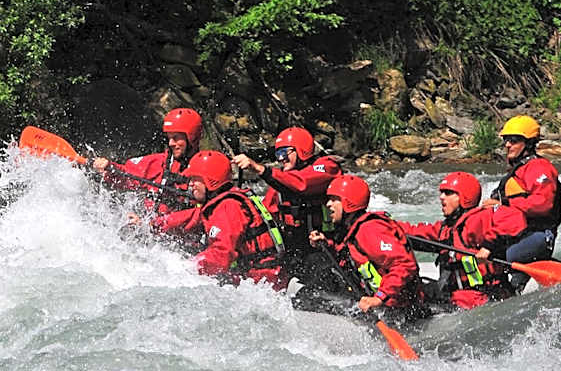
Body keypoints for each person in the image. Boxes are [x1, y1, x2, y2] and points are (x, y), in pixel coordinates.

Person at [143, 150, 286, 289]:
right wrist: (152, 225)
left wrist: (187, 267)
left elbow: (222, 254)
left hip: (262, 284)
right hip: (256, 280)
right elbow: (190, 217)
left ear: (210, 181)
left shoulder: (228, 207)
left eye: (195, 179)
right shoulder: (222, 202)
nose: (190, 184)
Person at [398, 172, 528, 309]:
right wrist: (383, 225)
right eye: (442, 193)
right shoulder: (446, 229)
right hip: (455, 297)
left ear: (465, 198)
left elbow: (515, 217)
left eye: (448, 193)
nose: (441, 197)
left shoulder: (478, 218)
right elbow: (412, 232)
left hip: (481, 298)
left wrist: (489, 246)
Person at [308, 175, 427, 321]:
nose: (328, 204)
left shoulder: (370, 229)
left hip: (402, 313)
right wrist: (327, 244)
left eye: (334, 199)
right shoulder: (353, 230)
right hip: (384, 308)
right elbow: (351, 257)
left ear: (348, 202)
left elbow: (404, 265)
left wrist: (379, 298)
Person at [231, 126, 342, 267]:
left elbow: (302, 184)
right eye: (278, 154)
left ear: (302, 150)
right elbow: (265, 217)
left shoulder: (327, 167)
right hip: (295, 251)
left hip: (329, 246)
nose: (281, 159)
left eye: (284, 153)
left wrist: (259, 168)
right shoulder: (280, 182)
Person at [480, 115, 561, 290]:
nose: (508, 145)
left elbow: (543, 204)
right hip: (517, 234)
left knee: (505, 256)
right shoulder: (519, 170)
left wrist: (504, 205)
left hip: (538, 235)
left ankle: (516, 286)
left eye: (514, 141)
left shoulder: (539, 167)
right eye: (506, 140)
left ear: (529, 143)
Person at [91, 107, 203, 213]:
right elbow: (127, 176)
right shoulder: (159, 162)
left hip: (167, 228)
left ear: (191, 137)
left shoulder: (206, 170)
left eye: (176, 138)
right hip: (149, 227)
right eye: (169, 138)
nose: (171, 143)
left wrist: (156, 224)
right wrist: (110, 168)